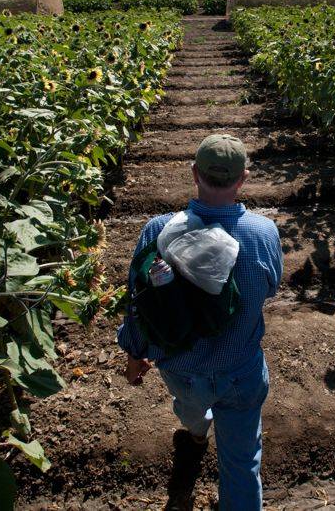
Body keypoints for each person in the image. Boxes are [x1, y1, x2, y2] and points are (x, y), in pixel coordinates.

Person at [117, 134, 283, 510]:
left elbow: (137, 304)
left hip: (183, 371)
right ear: (243, 179)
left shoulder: (157, 230)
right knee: (242, 466)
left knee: (190, 408)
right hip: (240, 370)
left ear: (194, 173)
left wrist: (134, 355)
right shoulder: (263, 233)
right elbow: (271, 288)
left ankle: (195, 434)